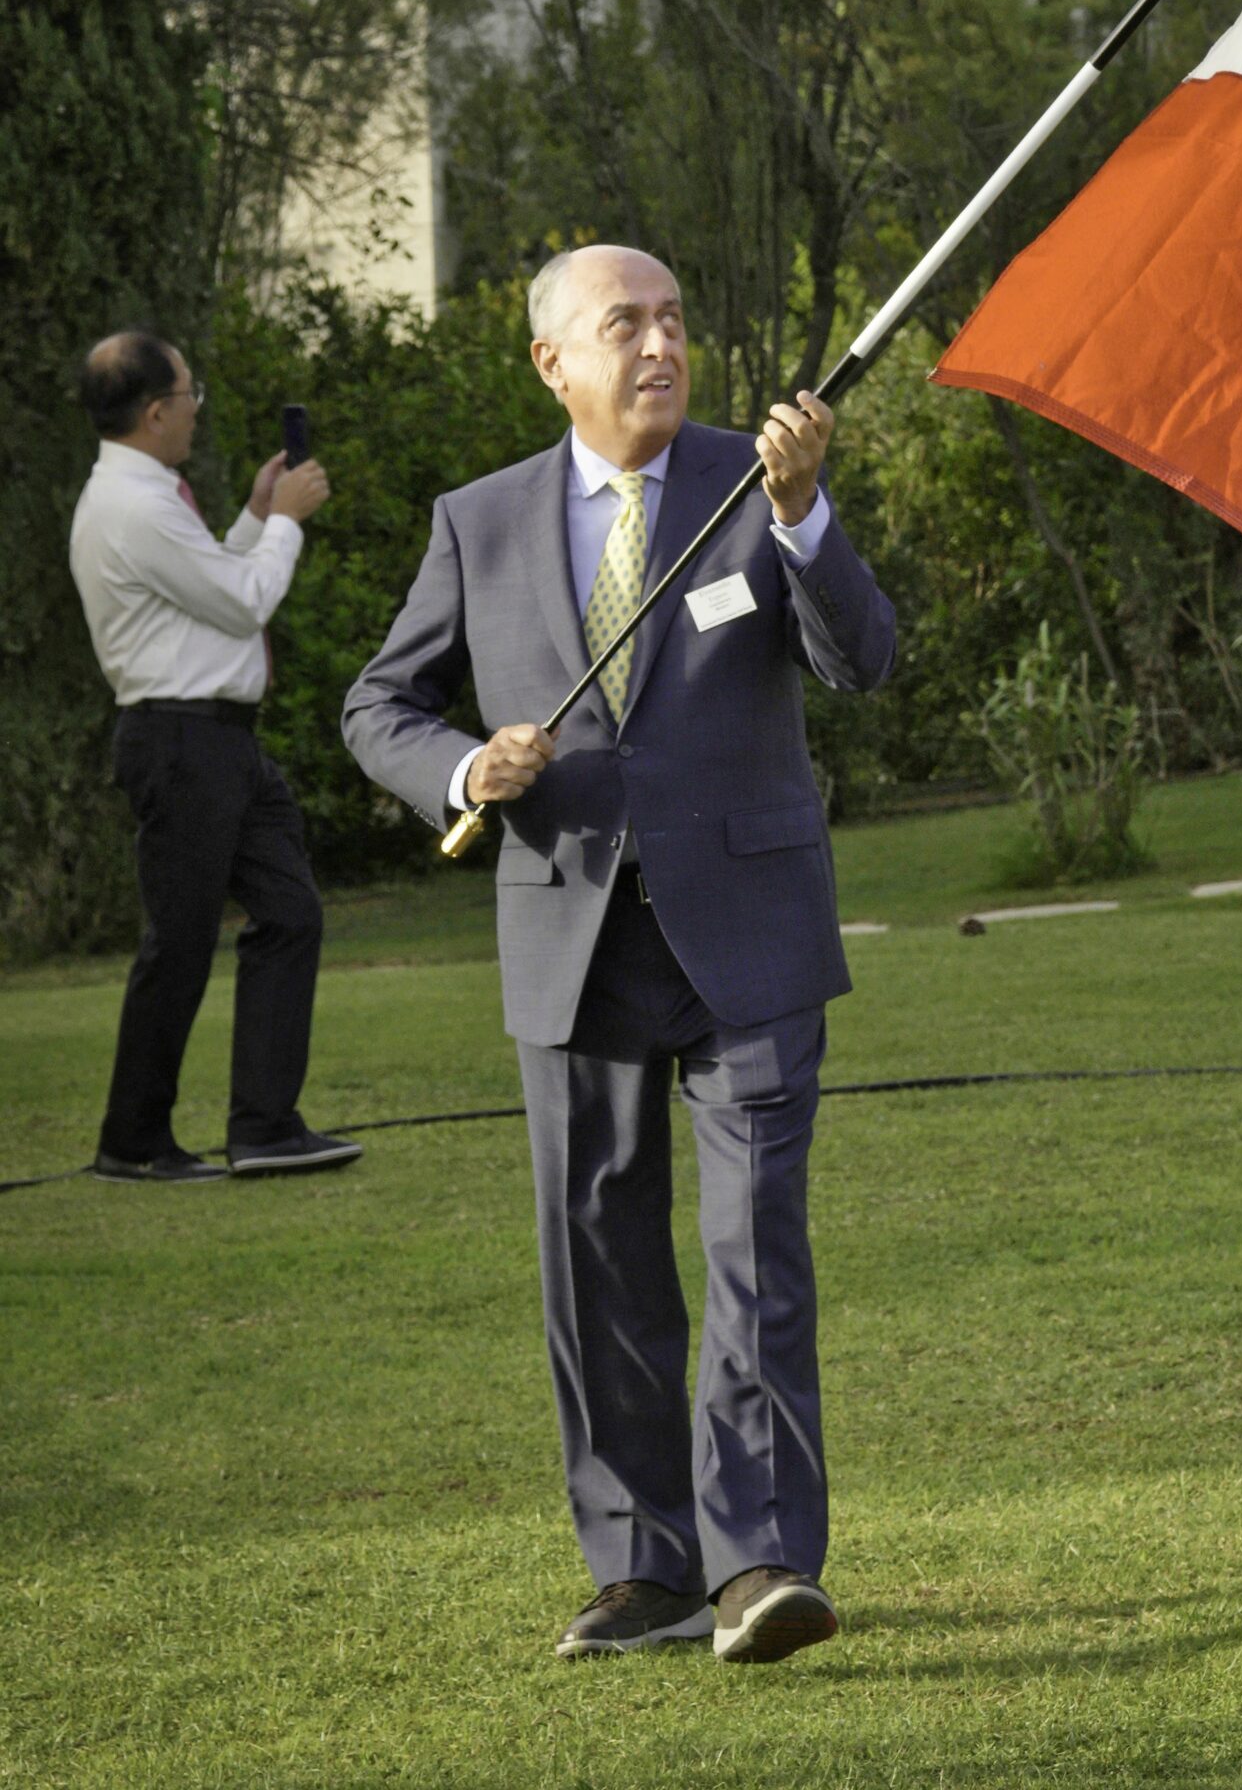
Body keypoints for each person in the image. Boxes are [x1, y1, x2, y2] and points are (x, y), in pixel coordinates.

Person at [342, 245, 895, 1667]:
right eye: (624, 325)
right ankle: (643, 1570)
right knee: (597, 1259)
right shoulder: (478, 522)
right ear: (553, 363)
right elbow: (377, 705)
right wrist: (465, 768)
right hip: (571, 937)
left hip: (748, 939)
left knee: (752, 1247)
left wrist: (803, 516)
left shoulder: (756, 479)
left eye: (672, 321)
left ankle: (758, 1564)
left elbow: (862, 659)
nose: (660, 346)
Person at [70, 331, 359, 1182]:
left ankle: (265, 1126)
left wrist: (257, 516)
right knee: (182, 943)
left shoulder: (145, 497)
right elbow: (245, 600)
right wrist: (288, 522)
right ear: (155, 411)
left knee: (290, 913)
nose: (197, 409)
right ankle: (133, 1141)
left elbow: (210, 588)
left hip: (217, 740)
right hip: (181, 739)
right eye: (188, 394)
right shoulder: (134, 505)